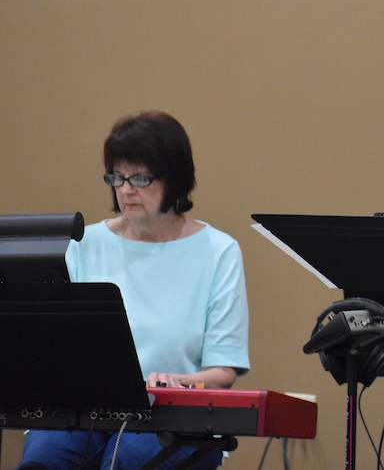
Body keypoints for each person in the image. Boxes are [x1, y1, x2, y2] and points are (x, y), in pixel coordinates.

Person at [19, 111, 251, 470]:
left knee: (125, 460)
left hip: (173, 414)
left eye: (140, 178)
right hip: (86, 407)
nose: (126, 190)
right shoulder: (83, 244)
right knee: (44, 458)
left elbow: (223, 372)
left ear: (175, 179)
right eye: (117, 177)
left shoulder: (218, 251)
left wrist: (178, 381)